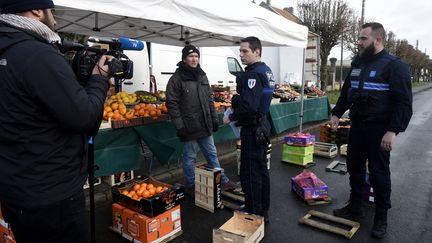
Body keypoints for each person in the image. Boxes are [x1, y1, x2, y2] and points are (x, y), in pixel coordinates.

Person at [0, 1, 114, 242]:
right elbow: (84, 117)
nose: (56, 19)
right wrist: (99, 80)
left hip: (18, 187)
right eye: (52, 11)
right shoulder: (36, 54)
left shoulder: (9, 49)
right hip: (52, 194)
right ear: (36, 10)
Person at [330, 22, 412, 239]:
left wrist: (393, 131)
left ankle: (381, 218)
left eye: (363, 39)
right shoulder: (358, 64)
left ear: (378, 40)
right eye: (359, 38)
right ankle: (355, 206)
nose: (359, 42)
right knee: (354, 167)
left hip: (380, 129)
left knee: (378, 173)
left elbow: (403, 103)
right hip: (358, 126)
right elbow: (347, 91)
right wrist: (337, 113)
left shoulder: (395, 66)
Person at [166, 44, 237, 196]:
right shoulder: (176, 79)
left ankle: (222, 180)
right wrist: (180, 126)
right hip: (188, 125)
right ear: (184, 59)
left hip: (204, 124)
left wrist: (213, 119)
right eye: (191, 56)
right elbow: (172, 104)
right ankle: (191, 184)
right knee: (190, 157)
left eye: (196, 56)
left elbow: (209, 100)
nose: (194, 59)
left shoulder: (202, 75)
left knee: (212, 154)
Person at [223, 36, 275, 222]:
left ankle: (254, 211)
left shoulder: (253, 73)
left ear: (257, 52)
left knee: (250, 172)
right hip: (261, 126)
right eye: (240, 51)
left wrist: (232, 115)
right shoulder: (266, 70)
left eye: (245, 51)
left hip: (253, 128)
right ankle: (262, 208)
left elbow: (249, 107)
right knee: (261, 170)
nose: (241, 55)